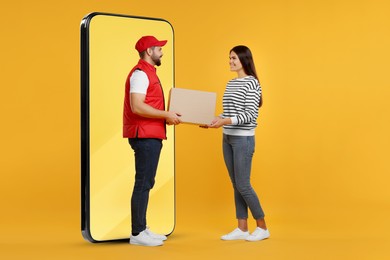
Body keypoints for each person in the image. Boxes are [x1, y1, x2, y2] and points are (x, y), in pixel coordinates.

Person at [123, 35, 181, 246]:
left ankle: (142, 228)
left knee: (146, 182)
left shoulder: (148, 73)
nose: (162, 52)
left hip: (151, 134)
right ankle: (137, 233)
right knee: (143, 183)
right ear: (149, 51)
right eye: (159, 49)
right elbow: (137, 106)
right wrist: (166, 114)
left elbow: (149, 105)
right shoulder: (140, 74)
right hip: (144, 135)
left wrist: (168, 117)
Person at [208, 45, 270, 242]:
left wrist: (224, 121)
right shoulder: (231, 83)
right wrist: (212, 120)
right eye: (229, 58)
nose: (231, 62)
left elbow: (249, 115)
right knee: (236, 184)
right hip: (227, 137)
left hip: (243, 139)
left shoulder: (252, 84)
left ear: (244, 60)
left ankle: (262, 226)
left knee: (243, 184)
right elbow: (227, 113)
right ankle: (242, 228)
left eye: (234, 58)